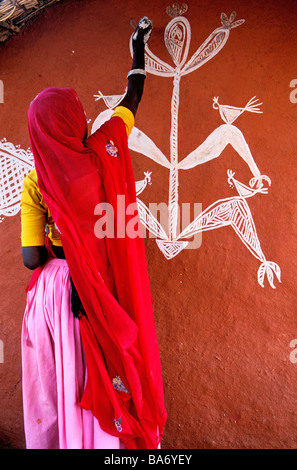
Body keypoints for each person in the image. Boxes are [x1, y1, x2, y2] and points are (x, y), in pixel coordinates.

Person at [21, 17, 167, 449]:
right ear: (77, 123)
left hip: (54, 296)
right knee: (106, 375)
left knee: (60, 381)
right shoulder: (105, 150)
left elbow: (31, 258)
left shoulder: (37, 181)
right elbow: (133, 96)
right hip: (101, 293)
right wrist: (137, 48)